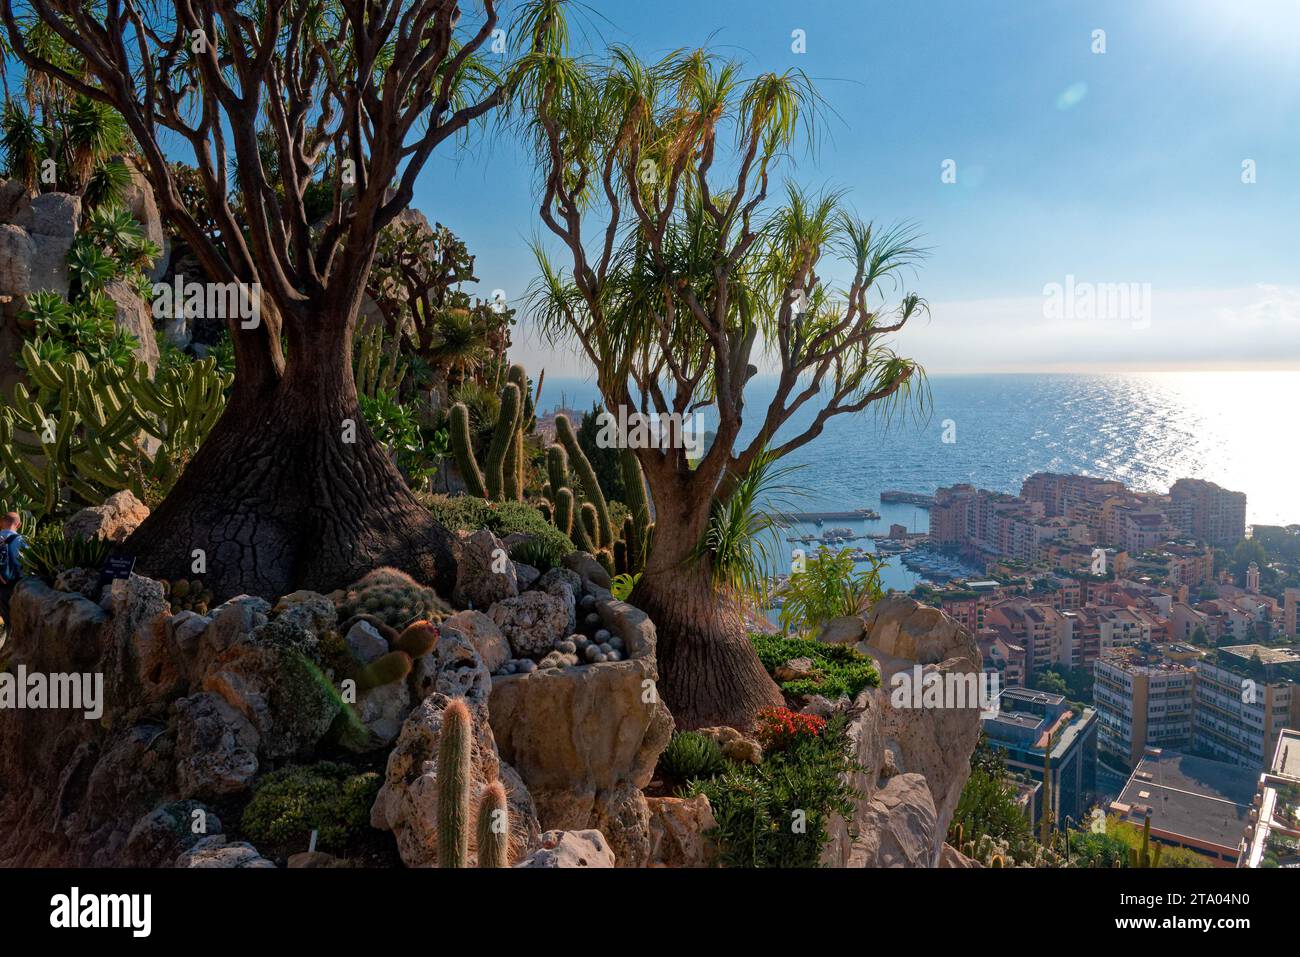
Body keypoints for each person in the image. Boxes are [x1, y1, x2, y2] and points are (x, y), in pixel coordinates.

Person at [0, 512, 28, 631]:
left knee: (7, 622)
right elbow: (28, 564)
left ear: (1, 523)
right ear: (19, 524)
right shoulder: (21, 540)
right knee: (16, 623)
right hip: (14, 586)